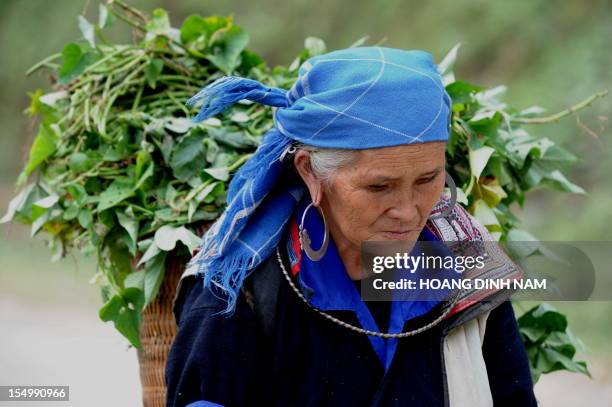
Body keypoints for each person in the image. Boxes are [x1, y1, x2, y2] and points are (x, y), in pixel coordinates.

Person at [165, 46, 538, 407]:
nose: (408, 212)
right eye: (380, 186)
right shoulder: (239, 294)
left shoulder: (467, 265)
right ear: (310, 170)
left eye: (427, 180)